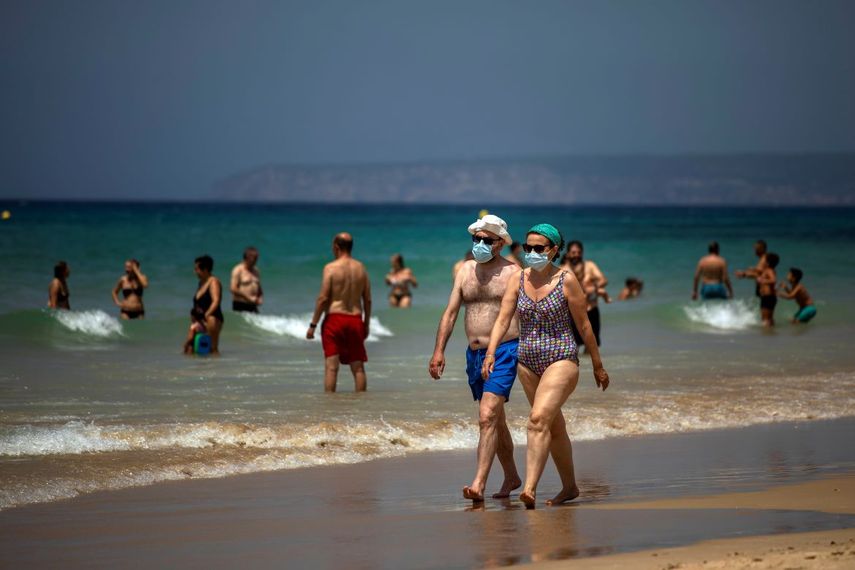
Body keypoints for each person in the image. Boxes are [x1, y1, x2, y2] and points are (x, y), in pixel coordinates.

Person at [482, 223, 609, 509]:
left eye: (539, 248)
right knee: (554, 426)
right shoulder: (518, 278)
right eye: (528, 248)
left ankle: (529, 488)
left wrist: (597, 365)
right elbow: (503, 319)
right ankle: (570, 487)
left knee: (538, 420)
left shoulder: (567, 280)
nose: (532, 253)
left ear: (553, 250)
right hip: (526, 361)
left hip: (561, 357)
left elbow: (584, 325)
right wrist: (491, 353)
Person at [429, 214, 522, 503]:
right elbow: (451, 312)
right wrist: (439, 350)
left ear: (499, 243)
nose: (480, 244)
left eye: (486, 240)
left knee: (486, 416)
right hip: (474, 354)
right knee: (495, 419)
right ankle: (512, 476)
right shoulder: (465, 270)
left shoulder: (512, 272)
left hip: (505, 350)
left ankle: (478, 484)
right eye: (476, 239)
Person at [306, 233, 372, 392]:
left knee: (331, 367)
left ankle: (329, 410)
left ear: (336, 247)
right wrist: (366, 324)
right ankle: (362, 406)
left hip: (334, 319)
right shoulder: (361, 268)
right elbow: (367, 299)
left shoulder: (330, 268)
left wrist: (313, 325)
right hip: (355, 319)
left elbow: (323, 298)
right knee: (358, 367)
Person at [562, 241, 608, 347]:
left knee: (592, 345)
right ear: (568, 254)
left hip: (591, 310)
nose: (576, 255)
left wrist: (593, 288)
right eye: (573, 253)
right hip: (573, 313)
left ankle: (589, 364)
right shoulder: (563, 269)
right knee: (573, 345)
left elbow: (603, 280)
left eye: (579, 252)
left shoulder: (590, 266)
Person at [192, 255, 224, 354]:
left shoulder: (213, 282)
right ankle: (200, 368)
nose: (195, 272)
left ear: (205, 269)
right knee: (192, 348)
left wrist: (207, 315)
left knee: (212, 348)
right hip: (200, 321)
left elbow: (216, 301)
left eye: (196, 269)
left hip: (212, 319)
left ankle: (215, 368)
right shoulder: (201, 283)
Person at [230, 246, 263, 313]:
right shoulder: (238, 270)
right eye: (255, 258)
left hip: (253, 304)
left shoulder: (256, 271)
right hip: (240, 304)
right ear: (248, 257)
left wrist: (260, 298)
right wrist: (248, 298)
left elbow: (259, 288)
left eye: (257, 258)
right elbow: (233, 288)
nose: (256, 260)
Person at [756, 252, 780, 327]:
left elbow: (774, 280)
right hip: (769, 297)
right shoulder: (769, 270)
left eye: (765, 261)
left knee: (765, 319)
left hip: (768, 297)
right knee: (769, 319)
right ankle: (771, 334)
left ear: (768, 262)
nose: (763, 262)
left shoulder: (769, 270)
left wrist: (763, 281)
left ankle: (767, 334)